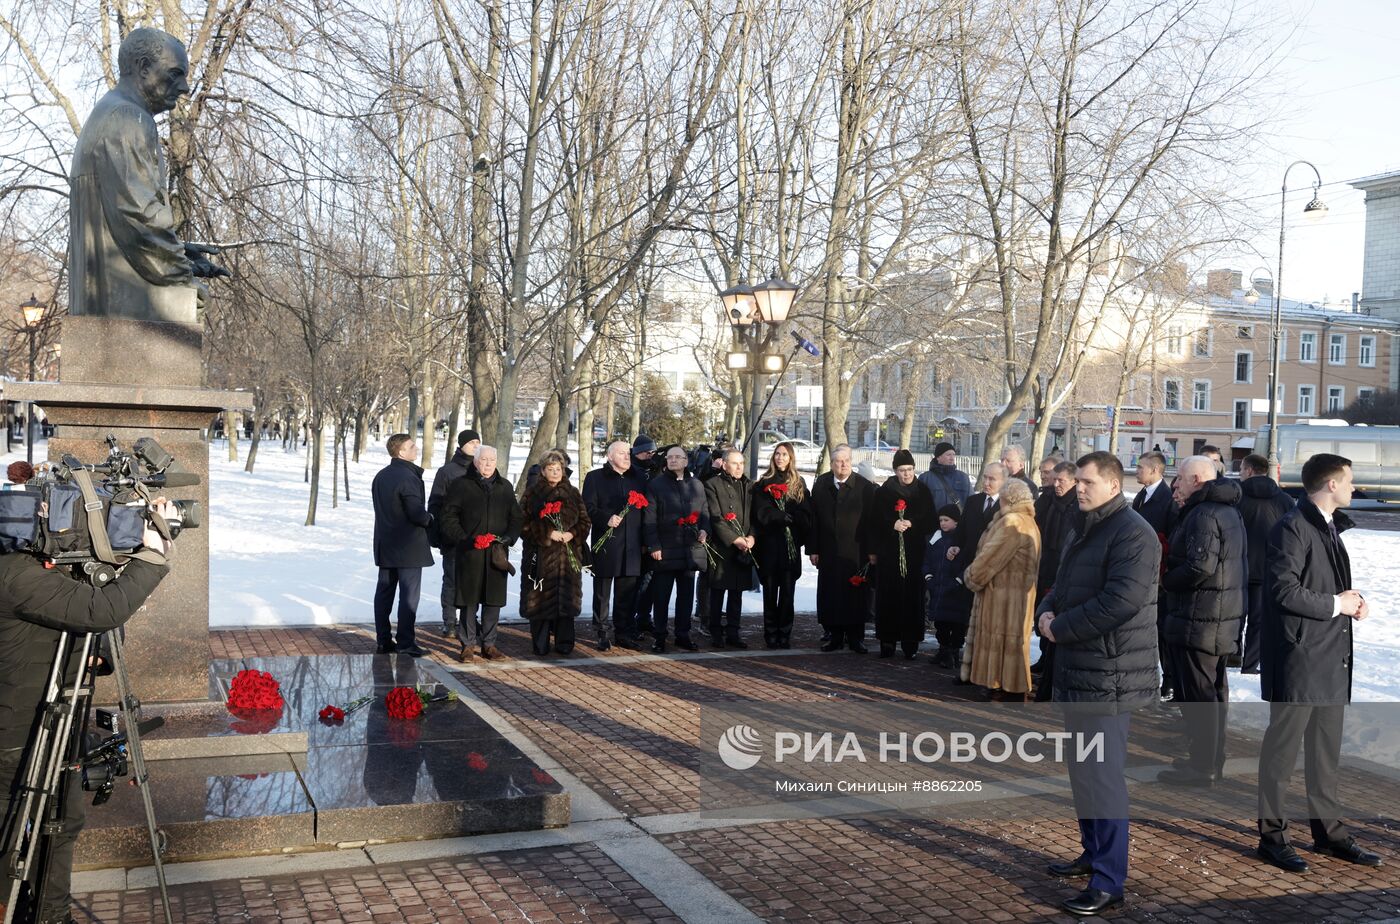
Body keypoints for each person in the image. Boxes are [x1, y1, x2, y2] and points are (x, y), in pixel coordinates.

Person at [0, 504, 173, 924]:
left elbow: (95, 623)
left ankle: (52, 915)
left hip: (55, 725)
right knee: (12, 835)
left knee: (63, 822)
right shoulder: (17, 575)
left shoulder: (39, 569)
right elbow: (102, 611)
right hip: (20, 735)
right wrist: (151, 557)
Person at [1038, 451, 1160, 917]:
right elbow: (1059, 584)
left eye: (1086, 481)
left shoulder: (1135, 533)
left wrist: (1060, 626)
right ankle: (1092, 852)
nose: (1078, 488)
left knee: (1104, 779)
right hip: (1078, 669)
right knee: (1082, 772)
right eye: (1077, 481)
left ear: (1113, 484)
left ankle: (1110, 879)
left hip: (1111, 677)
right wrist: (1045, 613)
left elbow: (1121, 602)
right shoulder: (1083, 526)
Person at [1255, 453, 1382, 874]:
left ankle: (1330, 834)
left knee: (1324, 756)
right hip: (1299, 660)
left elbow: (1324, 588)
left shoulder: (1325, 526)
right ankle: (1272, 838)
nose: (1352, 486)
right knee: (1281, 755)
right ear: (1330, 484)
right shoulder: (1292, 527)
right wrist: (1335, 604)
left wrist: (1352, 602)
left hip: (1328, 658)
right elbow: (1282, 591)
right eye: (1349, 480)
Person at [69, 28, 226, 323]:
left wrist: (179, 250)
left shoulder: (107, 113)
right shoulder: (128, 118)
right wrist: (179, 275)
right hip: (124, 306)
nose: (184, 87)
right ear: (143, 68)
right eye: (175, 74)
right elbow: (139, 214)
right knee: (193, 303)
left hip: (104, 303)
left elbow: (120, 212)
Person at [1156, 456, 1247, 786]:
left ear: (1196, 479)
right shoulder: (1222, 509)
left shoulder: (1205, 513)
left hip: (1201, 619)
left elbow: (1199, 567)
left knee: (1200, 697)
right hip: (1214, 618)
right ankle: (1208, 761)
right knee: (1211, 695)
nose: (1175, 485)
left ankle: (1203, 767)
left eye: (1179, 478)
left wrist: (1166, 579)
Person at [438, 446, 523, 662]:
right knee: (469, 601)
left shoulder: (504, 487)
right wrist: (464, 538)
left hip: (496, 554)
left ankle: (489, 644)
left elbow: (516, 518)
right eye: (483, 459)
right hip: (470, 553)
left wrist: (508, 538)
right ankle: (467, 645)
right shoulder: (461, 485)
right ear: (475, 461)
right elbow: (448, 518)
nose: (488, 464)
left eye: (492, 460)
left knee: (493, 600)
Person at [960, 479, 1040, 699]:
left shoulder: (1012, 522)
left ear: (1006, 498)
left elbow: (989, 559)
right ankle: (1007, 685)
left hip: (1002, 596)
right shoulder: (1028, 521)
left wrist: (971, 576)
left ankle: (1004, 685)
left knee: (1001, 640)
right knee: (1012, 642)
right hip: (1017, 595)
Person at [865, 449, 935, 659]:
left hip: (915, 553)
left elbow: (931, 520)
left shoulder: (923, 490)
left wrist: (912, 522)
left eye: (910, 469)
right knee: (888, 597)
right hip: (889, 553)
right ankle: (887, 640)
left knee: (912, 598)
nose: (907, 474)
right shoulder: (884, 491)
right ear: (895, 471)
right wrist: (891, 523)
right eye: (902, 470)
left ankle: (910, 641)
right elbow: (873, 522)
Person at [519, 451, 590, 657]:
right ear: (543, 471)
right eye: (551, 469)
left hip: (567, 557)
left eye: (558, 469)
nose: (555, 472)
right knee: (540, 602)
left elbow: (585, 521)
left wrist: (572, 533)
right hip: (541, 556)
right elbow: (522, 524)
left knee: (566, 601)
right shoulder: (532, 494)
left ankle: (565, 641)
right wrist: (548, 533)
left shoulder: (573, 493)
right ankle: (540, 642)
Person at [370, 433, 433, 656]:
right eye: (411, 446)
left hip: (385, 544)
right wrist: (431, 519)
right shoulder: (407, 477)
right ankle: (406, 642)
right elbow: (416, 513)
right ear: (400, 452)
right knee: (409, 596)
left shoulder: (381, 476)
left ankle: (383, 640)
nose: (416, 448)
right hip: (408, 548)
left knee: (384, 593)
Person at [808, 444, 875, 653]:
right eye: (838, 461)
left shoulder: (864, 486)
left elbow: (872, 521)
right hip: (828, 550)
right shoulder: (822, 484)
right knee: (832, 594)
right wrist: (813, 549)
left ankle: (856, 638)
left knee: (855, 594)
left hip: (856, 551)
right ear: (832, 463)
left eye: (846, 460)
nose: (843, 464)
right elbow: (814, 519)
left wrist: (872, 551)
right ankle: (834, 636)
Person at [582, 441, 648, 651]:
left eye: (628, 453)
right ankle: (601, 631)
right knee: (602, 591)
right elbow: (587, 507)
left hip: (632, 543)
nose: (627, 457)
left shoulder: (638, 477)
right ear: (610, 456)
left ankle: (623, 632)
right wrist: (605, 518)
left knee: (627, 592)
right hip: (607, 542)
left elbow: (648, 509)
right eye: (621, 453)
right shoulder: (595, 478)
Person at [643, 445, 709, 653]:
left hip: (689, 549)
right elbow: (649, 519)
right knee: (661, 596)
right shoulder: (656, 485)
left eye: (677, 457)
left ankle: (683, 634)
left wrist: (705, 531)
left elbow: (705, 512)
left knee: (686, 596)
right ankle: (660, 636)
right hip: (665, 550)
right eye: (669, 457)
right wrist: (654, 545)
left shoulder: (696, 485)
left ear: (686, 461)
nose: (672, 460)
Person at [751, 442, 813, 649]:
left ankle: (784, 632)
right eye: (777, 454)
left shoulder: (798, 483)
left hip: (789, 546)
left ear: (791, 458)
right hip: (769, 546)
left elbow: (806, 511)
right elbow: (759, 511)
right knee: (770, 592)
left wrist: (794, 519)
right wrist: (777, 516)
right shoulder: (763, 483)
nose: (780, 458)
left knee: (787, 592)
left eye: (784, 454)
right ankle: (770, 632)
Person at [1236, 453, 1294, 674]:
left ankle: (1232, 656)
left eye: (1241, 469)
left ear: (1250, 471)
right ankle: (1250, 664)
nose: (1240, 474)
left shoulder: (1237, 496)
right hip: (1268, 569)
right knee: (1259, 621)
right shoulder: (1285, 500)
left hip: (1237, 567)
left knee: (1234, 616)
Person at [1033, 461, 1081, 702]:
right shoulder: (1049, 499)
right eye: (1054, 479)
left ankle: (1052, 669)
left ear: (1073, 480)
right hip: (1045, 563)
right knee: (1042, 613)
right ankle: (1043, 659)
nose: (1056, 484)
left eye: (1061, 480)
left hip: (1063, 568)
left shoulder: (1077, 505)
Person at [1132, 450, 1176, 700]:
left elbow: (1167, 536)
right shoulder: (1141, 496)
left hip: (1157, 576)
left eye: (1141, 467)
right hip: (1141, 571)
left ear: (1155, 470)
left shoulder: (1166, 499)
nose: (1137, 470)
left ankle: (1168, 679)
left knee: (1161, 630)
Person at [428, 429, 480, 637]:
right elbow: (435, 503)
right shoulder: (447, 471)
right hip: (452, 537)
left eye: (478, 442)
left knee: (473, 580)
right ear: (461, 446)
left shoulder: (482, 468)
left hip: (476, 537)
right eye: (471, 443)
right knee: (451, 580)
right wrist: (439, 534)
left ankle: (471, 620)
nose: (475, 446)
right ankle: (449, 621)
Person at [704, 449, 755, 648]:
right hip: (722, 546)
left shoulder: (749, 486)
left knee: (737, 593)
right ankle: (715, 631)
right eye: (734, 463)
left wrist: (751, 537)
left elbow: (754, 516)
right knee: (717, 592)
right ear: (724, 464)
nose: (739, 467)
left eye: (741, 463)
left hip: (743, 547)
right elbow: (715, 517)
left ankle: (734, 631)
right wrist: (735, 539)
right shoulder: (712, 485)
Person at [924, 503, 972, 667]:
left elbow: (968, 561)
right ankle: (944, 651)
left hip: (957, 590)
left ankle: (954, 652)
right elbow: (927, 560)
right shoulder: (934, 539)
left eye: (946, 520)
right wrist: (928, 576)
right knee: (941, 623)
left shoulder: (962, 540)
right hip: (938, 587)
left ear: (956, 522)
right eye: (941, 520)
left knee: (957, 623)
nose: (943, 523)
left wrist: (959, 580)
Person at [946, 462, 1007, 575]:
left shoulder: (1008, 506)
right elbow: (961, 531)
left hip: (992, 570)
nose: (986, 482)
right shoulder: (972, 501)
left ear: (1003, 482)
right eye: (985, 477)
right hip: (968, 567)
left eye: (992, 479)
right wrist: (955, 546)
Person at [630, 434, 661, 639]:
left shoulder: (656, 470)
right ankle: (630, 620)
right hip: (636, 536)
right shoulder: (633, 472)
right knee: (636, 585)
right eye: (645, 452)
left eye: (652, 452)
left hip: (655, 535)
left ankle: (644, 618)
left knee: (651, 582)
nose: (649, 455)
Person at [918, 442, 973, 512]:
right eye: (948, 455)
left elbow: (972, 503)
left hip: (958, 522)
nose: (952, 458)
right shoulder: (925, 478)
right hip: (934, 521)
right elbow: (920, 504)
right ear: (938, 457)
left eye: (953, 455)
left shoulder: (963, 477)